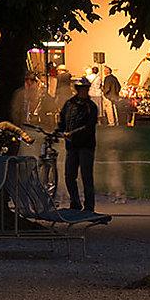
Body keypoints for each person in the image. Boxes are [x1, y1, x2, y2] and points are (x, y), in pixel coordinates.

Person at [54, 74, 100, 214]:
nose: (83, 91)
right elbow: (63, 120)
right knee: (69, 176)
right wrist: (59, 130)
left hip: (86, 145)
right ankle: (75, 202)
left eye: (85, 89)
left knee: (86, 176)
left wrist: (72, 133)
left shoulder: (91, 106)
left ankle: (89, 206)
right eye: (81, 89)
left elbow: (89, 126)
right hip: (72, 146)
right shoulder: (69, 104)